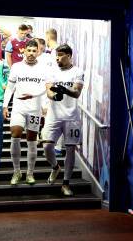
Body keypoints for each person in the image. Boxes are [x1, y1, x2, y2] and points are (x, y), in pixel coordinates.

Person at [3, 39, 47, 185]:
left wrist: (44, 105)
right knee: (15, 134)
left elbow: (46, 89)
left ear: (38, 52)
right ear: (24, 51)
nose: (31, 53)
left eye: (34, 51)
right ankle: (16, 172)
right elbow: (10, 88)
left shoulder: (43, 68)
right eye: (29, 50)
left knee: (32, 140)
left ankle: (29, 173)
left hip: (34, 109)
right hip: (18, 108)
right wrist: (4, 106)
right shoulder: (16, 67)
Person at [43, 44, 85, 196]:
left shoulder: (77, 71)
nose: (57, 58)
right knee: (47, 147)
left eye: (61, 55)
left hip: (71, 116)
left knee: (70, 149)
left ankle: (66, 184)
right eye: (56, 55)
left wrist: (65, 90)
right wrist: (55, 95)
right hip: (54, 115)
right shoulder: (52, 70)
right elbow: (48, 90)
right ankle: (55, 167)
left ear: (69, 55)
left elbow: (76, 92)